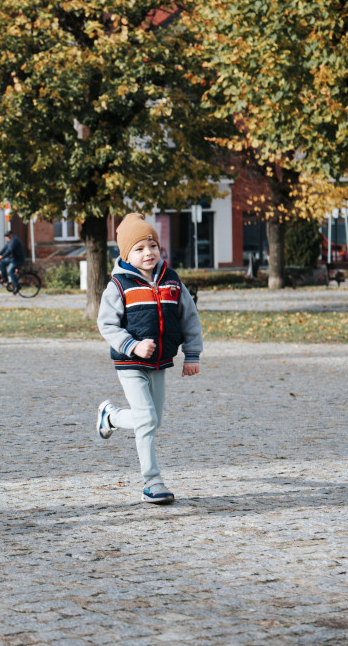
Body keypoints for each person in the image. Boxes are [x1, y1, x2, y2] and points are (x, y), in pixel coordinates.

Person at [96, 213, 203, 505]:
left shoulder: (172, 281)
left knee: (154, 421)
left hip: (159, 363)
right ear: (126, 255)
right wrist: (132, 346)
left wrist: (192, 354)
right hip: (130, 363)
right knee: (146, 419)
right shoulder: (119, 285)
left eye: (152, 246)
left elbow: (189, 317)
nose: (148, 253)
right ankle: (152, 482)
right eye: (140, 248)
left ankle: (111, 417)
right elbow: (106, 324)